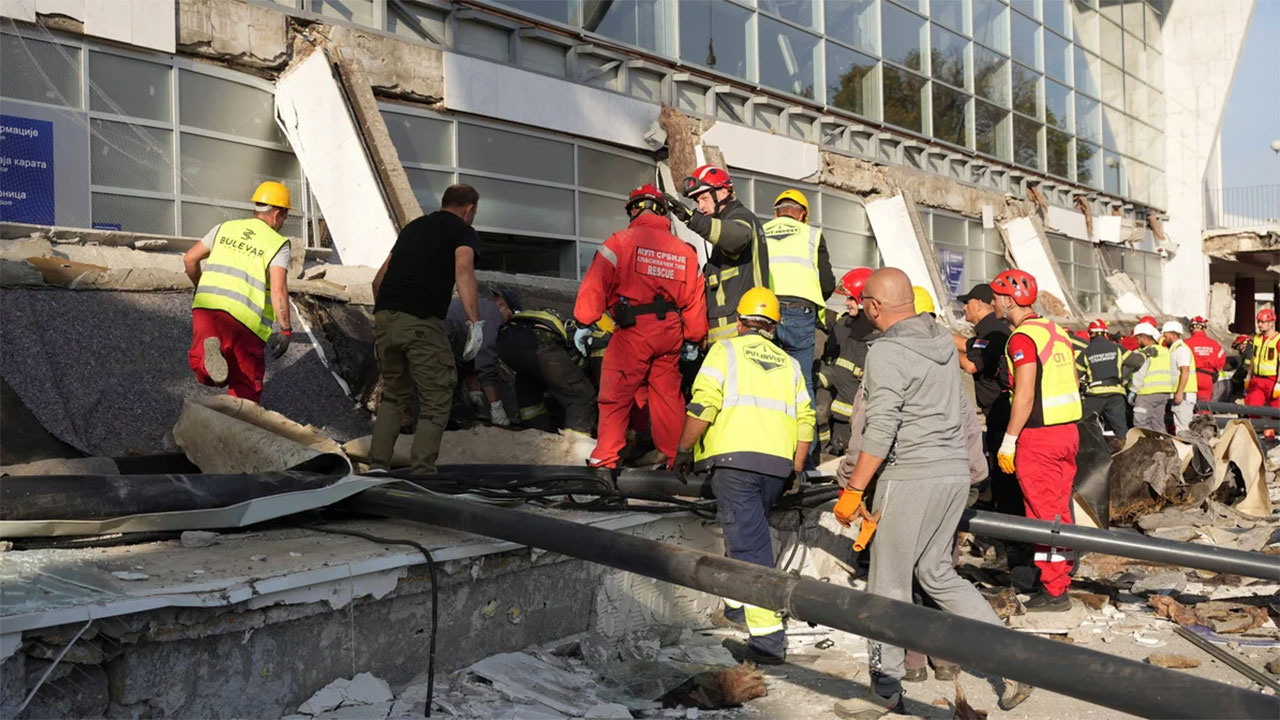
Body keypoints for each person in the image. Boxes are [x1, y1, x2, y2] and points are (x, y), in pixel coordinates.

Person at [831, 268, 1031, 716]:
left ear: (875, 307)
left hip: (910, 478)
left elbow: (878, 430)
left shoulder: (886, 353)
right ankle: (1017, 662)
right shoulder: (941, 339)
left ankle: (885, 690)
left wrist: (854, 487)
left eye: (863, 303)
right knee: (938, 574)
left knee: (888, 586)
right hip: (952, 475)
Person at [673, 287, 813, 666]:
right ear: (774, 328)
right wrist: (797, 467)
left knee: (750, 549)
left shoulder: (725, 351)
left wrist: (684, 450)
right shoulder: (789, 364)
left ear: (739, 321)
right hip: (776, 468)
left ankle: (767, 642)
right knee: (746, 535)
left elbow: (703, 404)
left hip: (736, 465)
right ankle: (737, 609)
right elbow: (806, 420)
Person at [575, 185, 707, 469]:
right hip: (670, 333)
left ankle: (605, 461)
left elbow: (595, 285)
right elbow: (695, 301)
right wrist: (694, 338)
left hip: (634, 330)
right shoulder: (686, 252)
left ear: (633, 210)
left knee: (615, 395)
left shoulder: (619, 242)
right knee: (668, 399)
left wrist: (585, 320)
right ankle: (676, 461)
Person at [369, 184, 484, 475]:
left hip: (385, 316)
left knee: (394, 396)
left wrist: (387, 318)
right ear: (469, 210)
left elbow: (377, 281)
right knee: (436, 398)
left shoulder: (412, 228)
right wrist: (474, 322)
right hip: (421, 321)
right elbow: (464, 272)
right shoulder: (462, 231)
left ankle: (377, 468)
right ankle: (422, 474)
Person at [991, 269, 1082, 612]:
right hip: (1067, 433)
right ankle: (1063, 571)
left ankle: (1055, 590)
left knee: (1043, 516)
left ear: (1009, 300)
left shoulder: (1021, 338)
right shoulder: (1054, 331)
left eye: (997, 296)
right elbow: (1073, 379)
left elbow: (1025, 393)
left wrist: (1009, 440)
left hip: (1039, 437)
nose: (993, 302)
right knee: (1059, 509)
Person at [184, 181, 295, 404]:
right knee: (246, 389)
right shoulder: (277, 243)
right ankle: (237, 432)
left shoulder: (224, 228)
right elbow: (279, 291)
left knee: (205, 370)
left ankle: (208, 360)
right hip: (243, 322)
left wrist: (200, 287)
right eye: (284, 217)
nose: (283, 223)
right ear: (277, 214)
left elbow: (190, 259)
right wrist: (285, 329)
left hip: (205, 308)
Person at [762, 189, 835, 464]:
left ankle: (770, 447)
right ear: (803, 214)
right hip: (800, 313)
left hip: (765, 313)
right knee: (801, 382)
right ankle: (804, 456)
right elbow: (827, 283)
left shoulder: (761, 231)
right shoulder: (812, 235)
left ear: (777, 211)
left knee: (767, 378)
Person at [665, 165, 769, 344]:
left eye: (704, 198)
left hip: (742, 333)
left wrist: (693, 219)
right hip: (731, 335)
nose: (701, 206)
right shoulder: (725, 222)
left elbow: (736, 237)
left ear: (722, 192)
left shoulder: (742, 217)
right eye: (698, 201)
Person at [497, 305, 597, 436]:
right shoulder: (584, 336)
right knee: (582, 396)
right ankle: (575, 445)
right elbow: (571, 370)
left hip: (506, 339)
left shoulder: (549, 317)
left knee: (530, 384)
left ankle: (534, 436)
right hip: (540, 340)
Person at [821, 268, 875, 454]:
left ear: (863, 300)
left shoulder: (878, 335)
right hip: (838, 419)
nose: (846, 303)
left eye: (851, 298)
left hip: (864, 422)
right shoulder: (842, 325)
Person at [447, 288, 508, 425]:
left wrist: (475, 393)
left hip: (443, 336)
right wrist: (497, 408)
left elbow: (469, 357)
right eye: (509, 317)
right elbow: (486, 363)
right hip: (438, 339)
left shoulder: (481, 306)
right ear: (501, 305)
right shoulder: (492, 315)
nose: (506, 324)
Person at [1075, 319, 1131, 435]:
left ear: (1090, 334)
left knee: (1084, 427)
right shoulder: (1117, 348)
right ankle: (1125, 449)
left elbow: (1076, 374)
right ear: (1106, 334)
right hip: (1116, 394)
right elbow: (1137, 360)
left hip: (1095, 395)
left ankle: (1087, 451)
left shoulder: (1086, 352)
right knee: (1120, 428)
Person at [1127, 322, 1173, 432]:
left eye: (1137, 339)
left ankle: (1147, 447)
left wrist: (1133, 390)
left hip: (1147, 393)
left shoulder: (1144, 353)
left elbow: (1139, 374)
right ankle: (1163, 446)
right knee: (1158, 424)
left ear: (1143, 338)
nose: (1137, 342)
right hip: (1163, 393)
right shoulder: (1166, 352)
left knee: (1141, 424)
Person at [1161, 320, 1198, 435]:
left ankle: (1189, 452)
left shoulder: (1181, 349)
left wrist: (1179, 392)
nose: (1164, 339)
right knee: (1180, 429)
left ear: (1173, 335)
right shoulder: (1175, 349)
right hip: (1182, 394)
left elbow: (1185, 371)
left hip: (1184, 394)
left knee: (1184, 429)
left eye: (1165, 336)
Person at [1185, 316, 1227, 402]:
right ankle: (1205, 415)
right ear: (1204, 328)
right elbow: (1222, 360)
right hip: (1208, 378)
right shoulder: (1214, 344)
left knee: (1188, 406)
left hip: (1191, 377)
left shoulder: (1186, 343)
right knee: (1204, 406)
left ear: (1191, 327)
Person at [1245, 308, 1280, 408]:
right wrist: (1248, 376)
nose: (1259, 324)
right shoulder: (1257, 338)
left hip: (1272, 380)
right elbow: (1254, 358)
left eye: (1262, 322)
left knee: (1276, 413)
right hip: (1257, 380)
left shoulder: (1278, 340)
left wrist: (1278, 383)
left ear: (1271, 323)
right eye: (1258, 321)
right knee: (1253, 408)